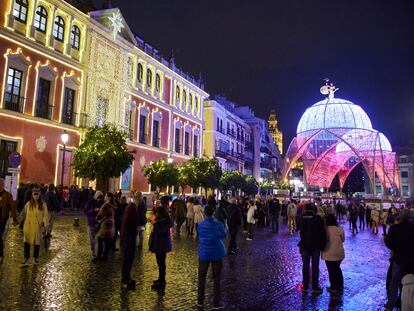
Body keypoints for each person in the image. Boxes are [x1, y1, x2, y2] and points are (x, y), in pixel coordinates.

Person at [196, 204, 227, 310]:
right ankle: (216, 303)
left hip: (204, 253)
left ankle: (200, 300)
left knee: (202, 277)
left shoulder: (200, 225)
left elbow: (199, 234)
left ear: (205, 213)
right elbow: (224, 234)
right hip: (216, 253)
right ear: (213, 212)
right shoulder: (218, 224)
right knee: (217, 278)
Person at [385, 209, 414, 310]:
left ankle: (391, 302)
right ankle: (405, 300)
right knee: (409, 282)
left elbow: (390, 244)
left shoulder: (394, 228)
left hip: (398, 259)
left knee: (394, 281)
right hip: (411, 261)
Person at [299, 203, 327, 293]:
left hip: (304, 245)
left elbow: (300, 231)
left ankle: (305, 285)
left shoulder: (301, 218)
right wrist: (322, 245)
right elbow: (322, 233)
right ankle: (315, 286)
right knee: (315, 267)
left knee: (305, 266)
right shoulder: (318, 218)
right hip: (315, 246)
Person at [20, 185, 48, 266]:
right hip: (28, 226)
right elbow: (23, 213)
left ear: (39, 195)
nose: (35, 195)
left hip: (37, 227)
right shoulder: (28, 204)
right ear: (32, 195)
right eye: (34, 194)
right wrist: (19, 221)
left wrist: (45, 225)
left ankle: (35, 258)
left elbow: (45, 215)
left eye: (37, 194)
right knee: (26, 243)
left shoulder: (43, 204)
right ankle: (26, 259)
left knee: (37, 243)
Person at [149, 196, 173, 291]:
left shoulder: (163, 222)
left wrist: (155, 223)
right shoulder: (162, 221)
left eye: (157, 213)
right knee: (160, 263)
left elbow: (160, 232)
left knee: (161, 263)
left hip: (161, 245)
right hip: (161, 245)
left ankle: (162, 282)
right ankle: (160, 279)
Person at [322, 214, 345, 293]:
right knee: (337, 268)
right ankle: (340, 285)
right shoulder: (340, 229)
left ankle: (334, 287)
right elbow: (343, 240)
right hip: (339, 253)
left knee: (331, 270)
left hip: (328, 253)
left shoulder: (325, 229)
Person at [120, 196, 139, 290]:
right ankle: (125, 279)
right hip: (129, 236)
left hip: (127, 236)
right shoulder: (132, 208)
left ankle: (126, 278)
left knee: (128, 258)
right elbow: (131, 223)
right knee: (128, 258)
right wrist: (136, 230)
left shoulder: (130, 207)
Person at [0, 177, 18, 265]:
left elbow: (12, 207)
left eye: (1, 183)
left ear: (3, 185)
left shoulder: (7, 195)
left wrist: (15, 218)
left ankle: (1, 254)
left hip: (2, 219)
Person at [95, 192, 115, 262]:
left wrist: (97, 218)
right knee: (107, 241)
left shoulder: (106, 205)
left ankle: (99, 256)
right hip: (111, 223)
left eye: (105, 196)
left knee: (100, 239)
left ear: (108, 197)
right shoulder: (113, 204)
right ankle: (105, 256)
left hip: (105, 224)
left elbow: (100, 214)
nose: (104, 197)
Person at [84, 190, 104, 259]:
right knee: (92, 240)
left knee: (99, 240)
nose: (100, 199)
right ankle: (93, 253)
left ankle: (99, 253)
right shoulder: (90, 202)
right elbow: (85, 211)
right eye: (99, 197)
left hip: (99, 224)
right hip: (92, 223)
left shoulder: (102, 202)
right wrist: (93, 210)